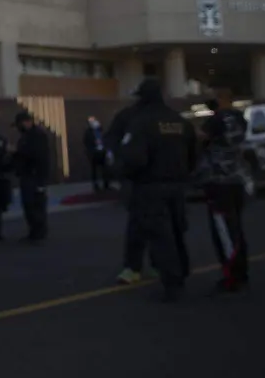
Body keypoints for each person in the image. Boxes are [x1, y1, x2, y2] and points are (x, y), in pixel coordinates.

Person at [119, 78, 197, 302]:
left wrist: (126, 174)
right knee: (177, 232)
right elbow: (193, 154)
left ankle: (173, 284)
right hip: (177, 186)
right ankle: (181, 273)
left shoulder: (142, 123)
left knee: (160, 237)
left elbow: (133, 158)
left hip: (150, 187)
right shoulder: (180, 121)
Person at [199, 95, 251, 293]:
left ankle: (232, 275)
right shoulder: (239, 124)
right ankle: (241, 271)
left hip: (219, 184)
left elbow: (203, 140)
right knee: (236, 228)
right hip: (237, 181)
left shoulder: (214, 127)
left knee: (224, 232)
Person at [107, 97, 148, 284]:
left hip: (138, 178)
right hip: (156, 178)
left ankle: (134, 267)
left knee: (138, 224)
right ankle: (155, 264)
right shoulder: (165, 116)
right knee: (158, 224)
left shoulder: (129, 116)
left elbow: (112, 141)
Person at [11, 111, 51, 242]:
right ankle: (35, 231)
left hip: (34, 175)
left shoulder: (37, 136)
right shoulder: (27, 136)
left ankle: (38, 231)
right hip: (28, 174)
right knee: (29, 204)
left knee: (35, 204)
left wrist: (17, 152)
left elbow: (38, 156)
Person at [83, 116, 111, 192]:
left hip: (102, 152)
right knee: (94, 170)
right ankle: (96, 186)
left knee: (105, 169)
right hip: (94, 153)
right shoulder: (88, 132)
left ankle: (106, 185)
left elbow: (105, 138)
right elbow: (87, 143)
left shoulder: (100, 130)